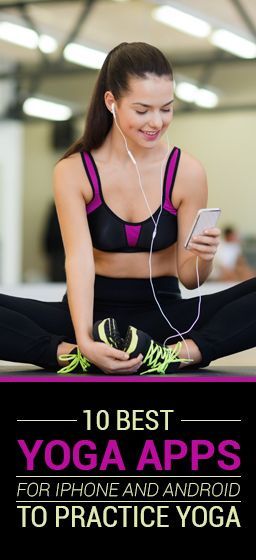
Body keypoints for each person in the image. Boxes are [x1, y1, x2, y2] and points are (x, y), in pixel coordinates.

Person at [0, 42, 256, 375]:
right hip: (89, 316)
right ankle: (70, 354)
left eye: (166, 109)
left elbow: (190, 279)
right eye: (142, 109)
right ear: (111, 102)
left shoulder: (187, 172)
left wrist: (203, 256)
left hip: (166, 320)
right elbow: (78, 260)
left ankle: (180, 354)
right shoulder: (73, 171)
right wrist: (86, 339)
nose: (156, 122)